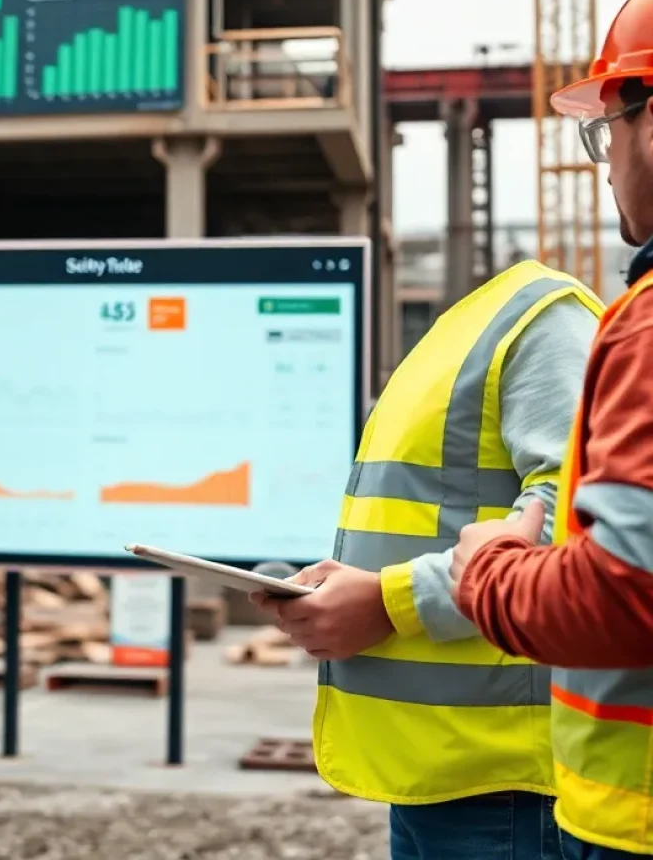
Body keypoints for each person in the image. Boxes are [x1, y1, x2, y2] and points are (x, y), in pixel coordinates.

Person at [254, 258, 603, 859]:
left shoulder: (542, 321)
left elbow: (573, 522)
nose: (604, 168)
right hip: (444, 772)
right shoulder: (463, 332)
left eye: (607, 152)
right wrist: (343, 593)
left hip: (508, 779)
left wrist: (390, 603)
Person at [451, 0, 653, 860]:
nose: (606, 162)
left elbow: (621, 595)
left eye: (606, 129)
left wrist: (487, 566)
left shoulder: (645, 328)